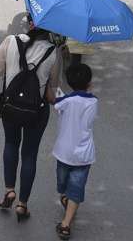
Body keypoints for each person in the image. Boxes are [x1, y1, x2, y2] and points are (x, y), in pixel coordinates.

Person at [0, 18, 60, 222]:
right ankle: (22, 204)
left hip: (10, 108)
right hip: (37, 111)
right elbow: (52, 87)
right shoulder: (53, 52)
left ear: (28, 22)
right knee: (29, 154)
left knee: (10, 143)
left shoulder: (10, 41)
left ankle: (9, 190)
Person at [50, 63, 98, 240]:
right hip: (84, 155)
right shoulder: (94, 102)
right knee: (74, 188)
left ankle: (66, 224)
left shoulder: (66, 101)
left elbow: (54, 101)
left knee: (66, 186)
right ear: (90, 82)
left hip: (64, 153)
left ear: (69, 82)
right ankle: (68, 201)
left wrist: (48, 83)